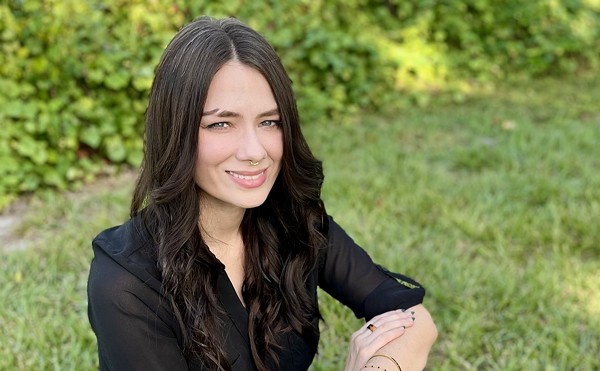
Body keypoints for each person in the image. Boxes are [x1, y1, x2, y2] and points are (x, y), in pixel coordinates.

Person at [87, 16, 437, 371]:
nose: (254, 151)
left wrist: (378, 366)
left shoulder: (291, 221)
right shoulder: (126, 284)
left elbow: (412, 317)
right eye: (221, 123)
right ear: (176, 131)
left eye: (269, 122)